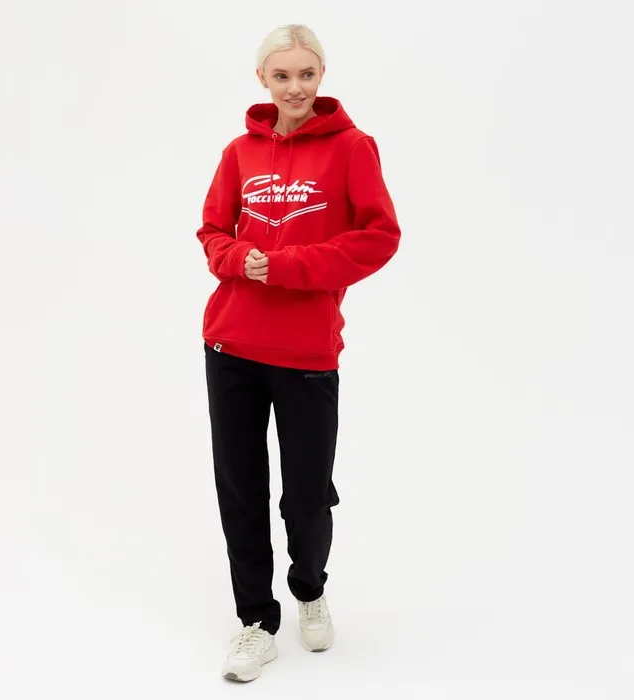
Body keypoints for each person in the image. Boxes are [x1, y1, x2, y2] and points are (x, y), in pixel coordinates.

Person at [196, 23, 401, 682]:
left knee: (307, 495)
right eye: (281, 75)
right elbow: (212, 230)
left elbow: (379, 236)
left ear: (321, 76)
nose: (294, 87)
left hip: (308, 351)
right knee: (241, 492)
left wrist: (285, 266)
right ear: (263, 78)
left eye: (305, 74)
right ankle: (257, 622)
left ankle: (310, 591)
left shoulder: (352, 148)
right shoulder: (238, 152)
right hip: (231, 344)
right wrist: (238, 259)